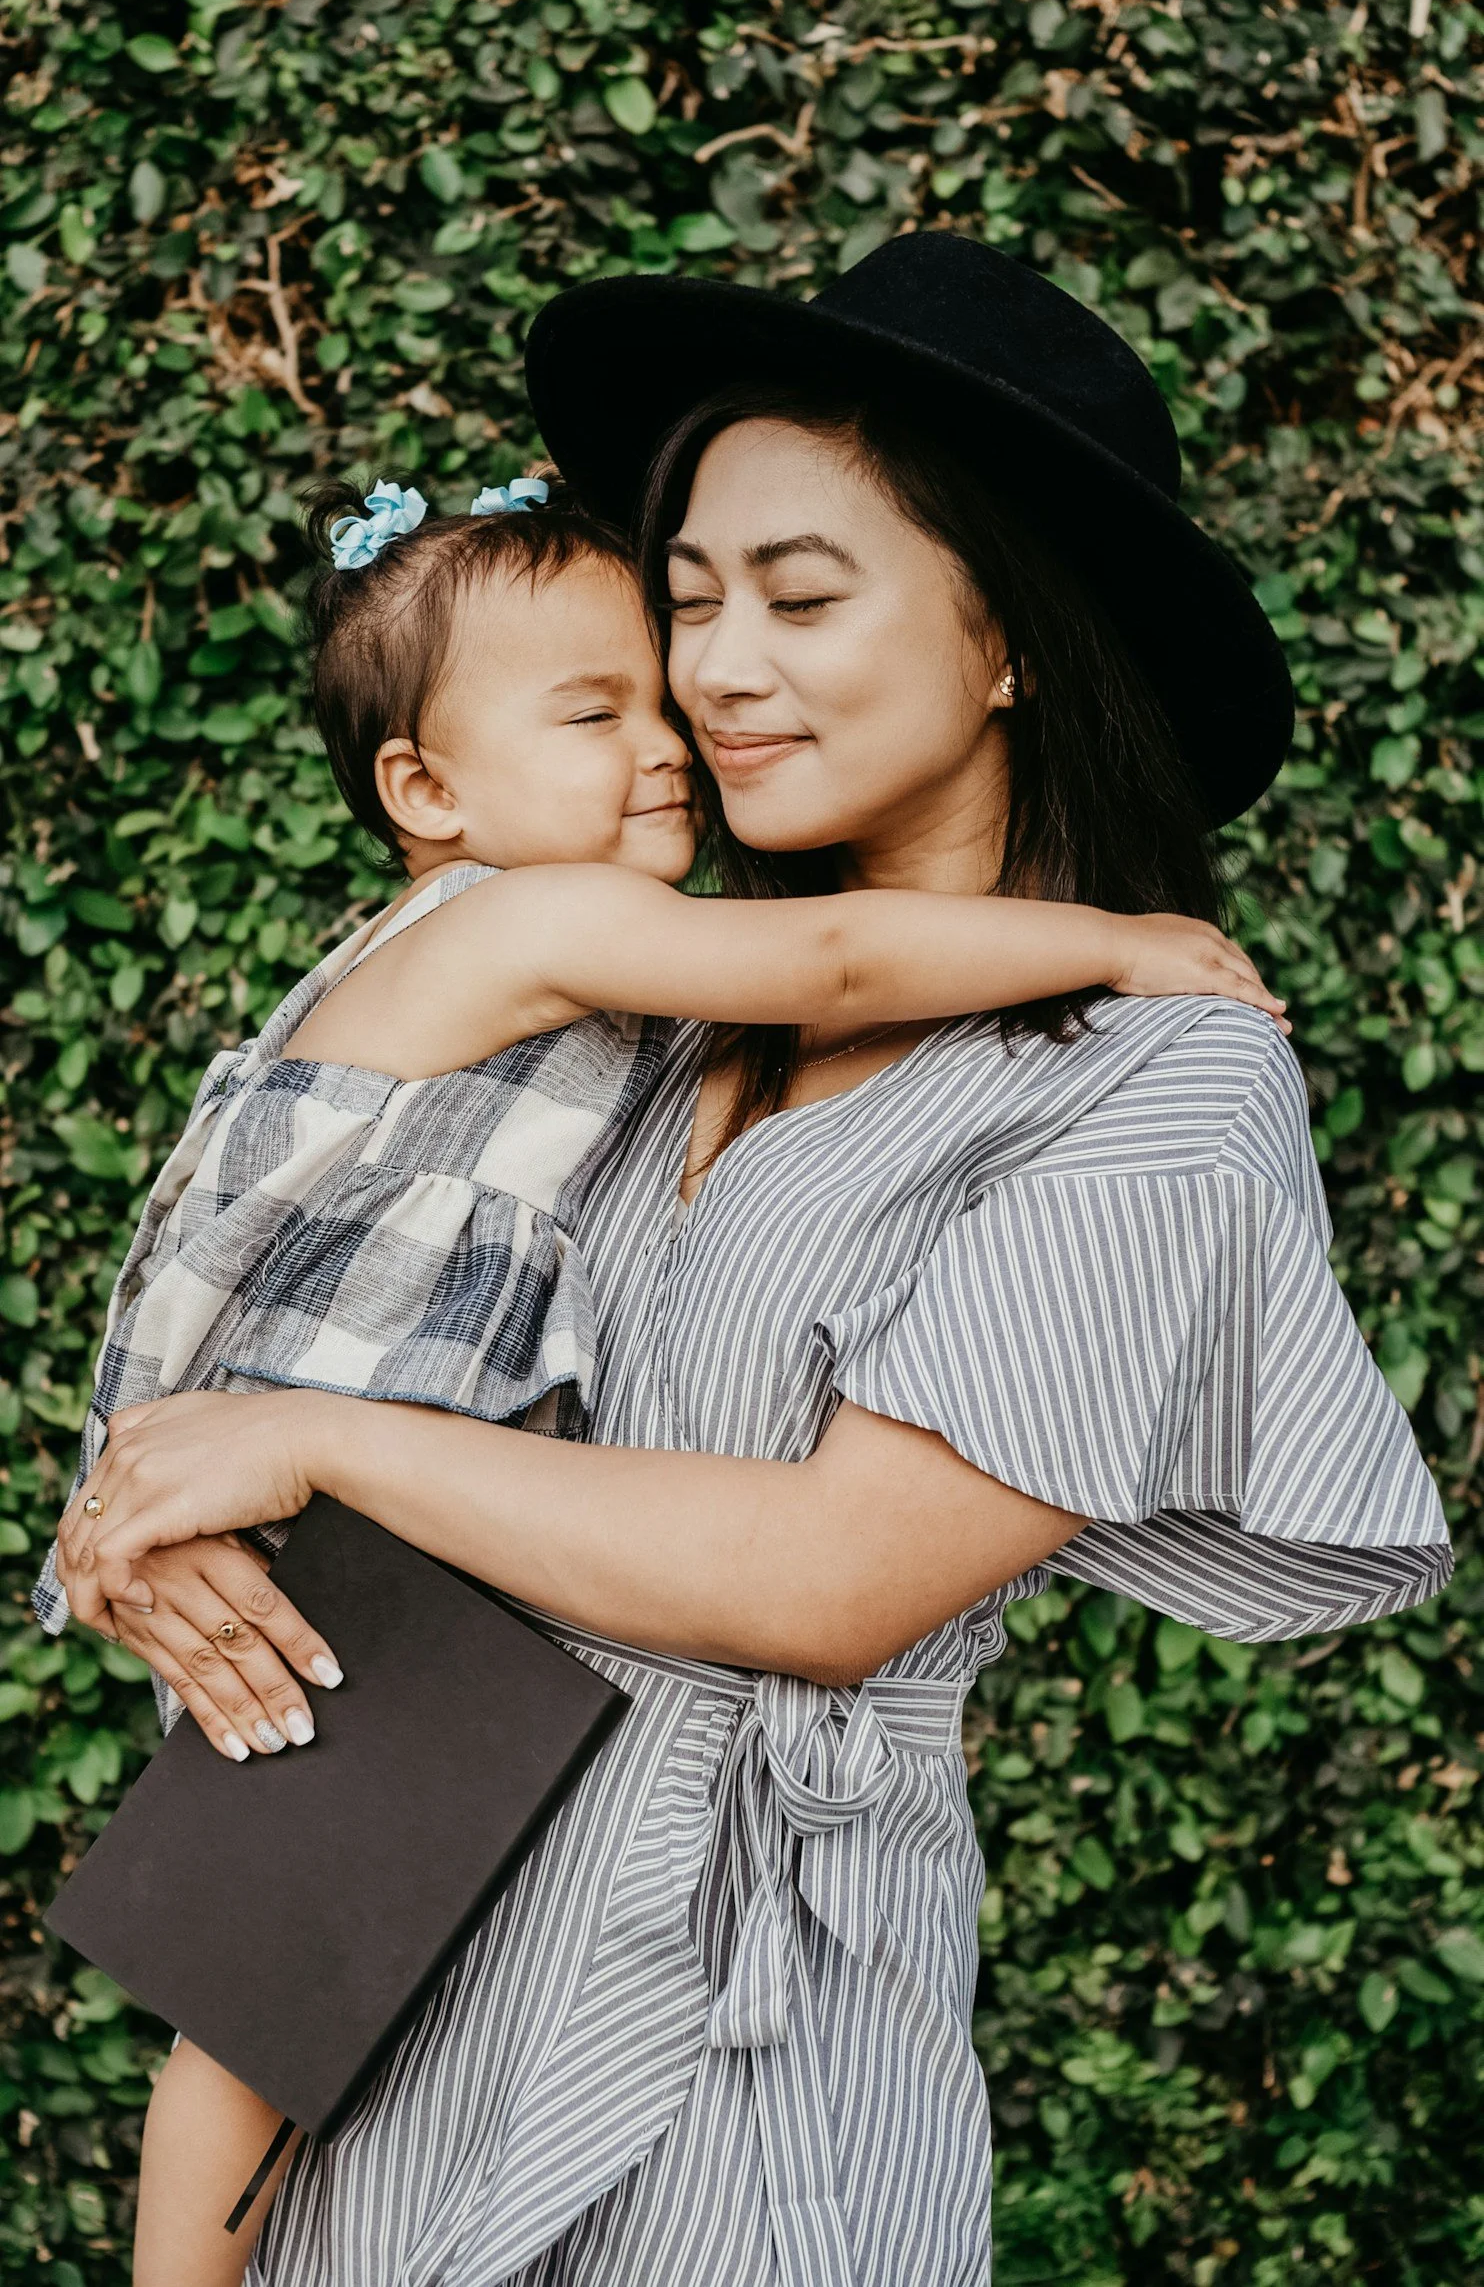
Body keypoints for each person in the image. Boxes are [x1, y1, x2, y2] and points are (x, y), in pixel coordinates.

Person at [56, 237, 1450, 2287]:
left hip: (749, 2009)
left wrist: (295, 1434)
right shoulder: (637, 1018)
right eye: (687, 601)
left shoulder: (1158, 1078)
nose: (714, 670)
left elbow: (830, 1576)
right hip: (407, 1928)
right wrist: (158, 1520)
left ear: (1010, 641)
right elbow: (333, 1299)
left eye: (800, 597)